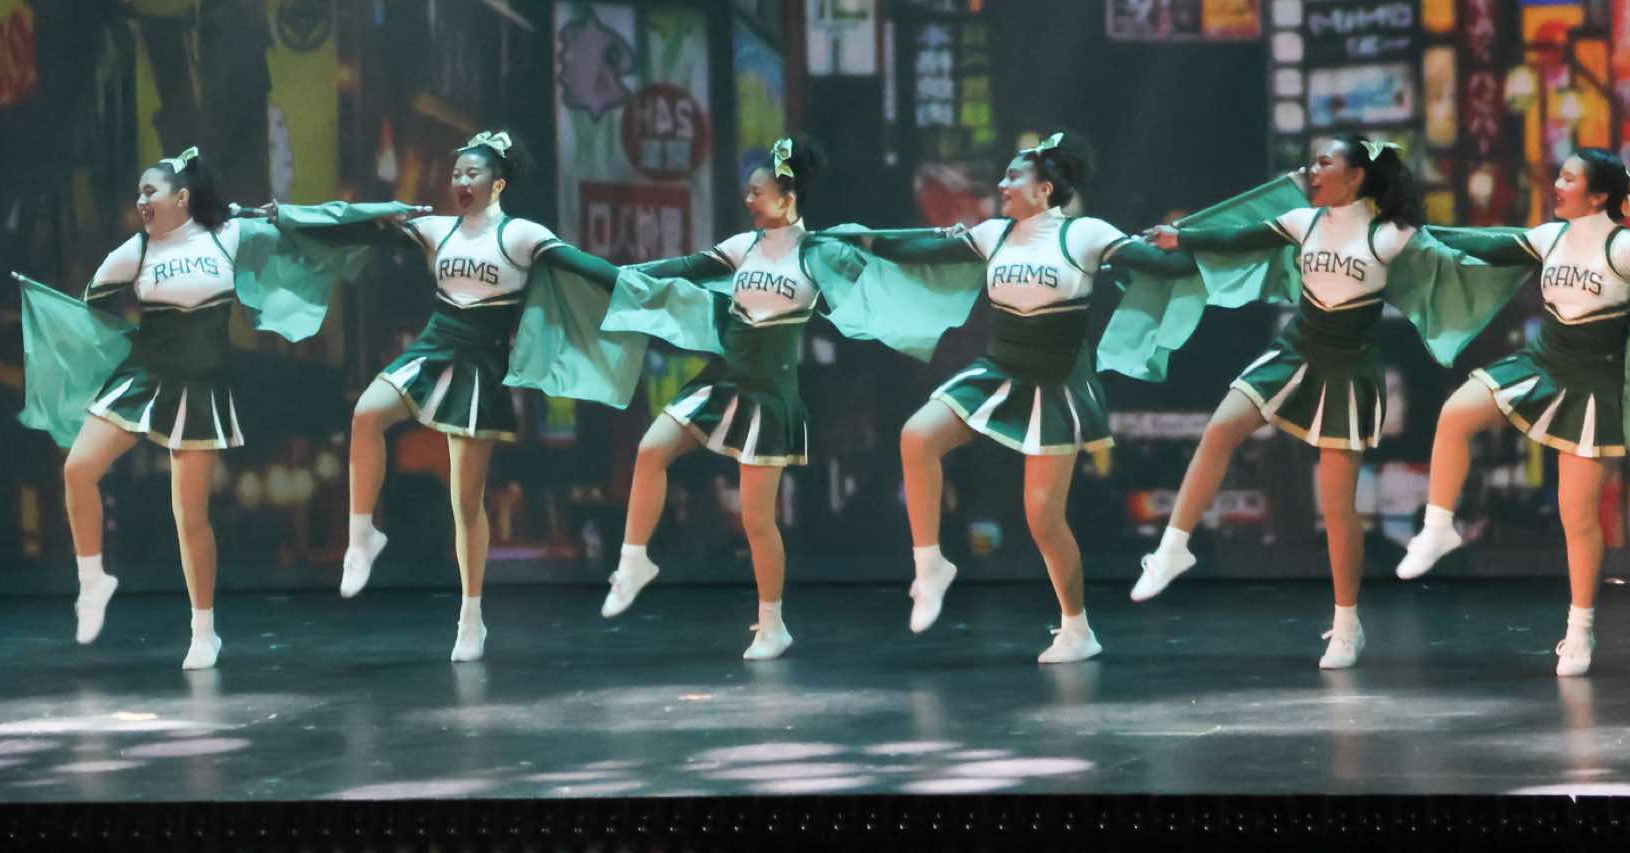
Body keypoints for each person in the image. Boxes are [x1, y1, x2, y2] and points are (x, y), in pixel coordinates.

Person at [869, 132, 1185, 663]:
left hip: (1056, 383)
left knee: (1042, 518)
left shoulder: (1085, 234)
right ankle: (930, 565)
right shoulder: (992, 234)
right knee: (917, 437)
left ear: (1044, 189)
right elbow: (924, 250)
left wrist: (1184, 242)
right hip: (999, 371)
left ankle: (1077, 628)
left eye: (1013, 176)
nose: (1001, 184)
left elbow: (1165, 267)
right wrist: (866, 242)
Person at [1130, 133, 1428, 670]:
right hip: (1295, 350)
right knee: (1220, 429)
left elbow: (1458, 251)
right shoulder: (1301, 222)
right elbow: (1235, 237)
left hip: (1347, 366)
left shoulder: (1390, 235)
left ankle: (1347, 624)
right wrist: (1182, 236)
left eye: (1324, 162)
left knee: (1336, 508)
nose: (1311, 171)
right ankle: (1173, 548)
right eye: (1311, 162)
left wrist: (1533, 248)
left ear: (1355, 176)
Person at [1396, 149, 1630, 678]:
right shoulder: (1548, 237)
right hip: (1541, 364)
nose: (1557, 184)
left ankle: (1580, 629)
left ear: (1598, 196)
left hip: (1591, 384)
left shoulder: (1625, 247)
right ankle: (1439, 527)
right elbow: (1484, 244)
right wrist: (1418, 234)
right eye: (1559, 175)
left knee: (1576, 516)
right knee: (1455, 414)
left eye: (1569, 178)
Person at [336, 130, 627, 663]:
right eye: (456, 174)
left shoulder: (521, 235)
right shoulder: (437, 228)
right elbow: (362, 224)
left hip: (480, 367)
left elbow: (590, 270)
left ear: (498, 182)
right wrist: (287, 219)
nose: (461, 181)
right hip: (433, 349)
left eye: (472, 173)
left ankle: (471, 616)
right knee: (366, 414)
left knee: (465, 502)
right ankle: (362, 537)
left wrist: (648, 284)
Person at [599, 137, 829, 660]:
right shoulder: (742, 247)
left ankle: (772, 623)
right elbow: (684, 267)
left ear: (787, 197)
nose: (748, 201)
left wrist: (942, 243)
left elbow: (883, 253)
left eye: (757, 193)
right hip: (723, 380)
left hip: (770, 395)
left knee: (756, 519)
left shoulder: (817, 254)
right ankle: (634, 561)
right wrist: (622, 277)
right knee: (651, 449)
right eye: (747, 192)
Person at [60, 149, 249, 670]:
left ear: (181, 197)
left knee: (190, 517)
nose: (141, 200)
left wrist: (379, 216)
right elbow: (89, 306)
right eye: (139, 192)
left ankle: (204, 631)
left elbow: (301, 224)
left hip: (200, 386)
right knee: (78, 468)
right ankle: (93, 580)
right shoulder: (135, 250)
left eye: (151, 191)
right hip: (146, 375)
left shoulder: (227, 234)